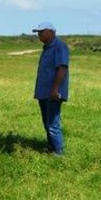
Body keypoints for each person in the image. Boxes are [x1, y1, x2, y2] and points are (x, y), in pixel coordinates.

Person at [32, 21, 69, 155]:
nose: (39, 35)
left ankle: (58, 153)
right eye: (38, 33)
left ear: (51, 32)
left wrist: (55, 89)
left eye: (41, 32)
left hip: (52, 93)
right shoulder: (47, 48)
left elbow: (62, 68)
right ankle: (51, 148)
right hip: (43, 92)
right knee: (47, 124)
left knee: (53, 125)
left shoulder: (59, 47)